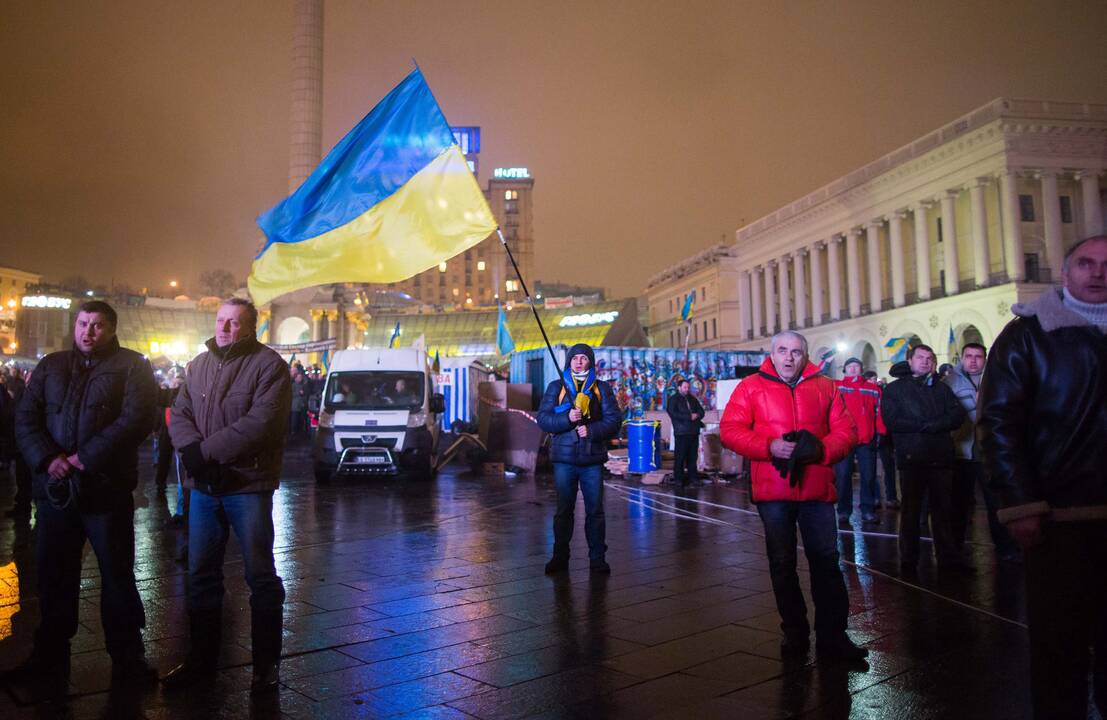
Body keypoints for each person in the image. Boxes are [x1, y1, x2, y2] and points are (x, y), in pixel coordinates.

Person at [978, 235, 1107, 719]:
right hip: (1058, 519)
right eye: (1086, 263)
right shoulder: (1027, 335)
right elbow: (998, 423)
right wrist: (1021, 504)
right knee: (1060, 645)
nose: (1098, 273)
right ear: (1065, 273)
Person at [6, 301, 158, 691]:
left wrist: (83, 458)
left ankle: (128, 659)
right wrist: (48, 458)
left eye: (98, 325)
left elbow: (137, 419)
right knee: (53, 576)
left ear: (112, 329)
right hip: (56, 493)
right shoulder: (51, 366)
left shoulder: (132, 365)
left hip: (105, 493)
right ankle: (49, 657)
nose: (89, 332)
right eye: (83, 323)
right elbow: (26, 418)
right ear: (75, 326)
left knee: (117, 577)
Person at [163, 298, 292, 694]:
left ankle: (265, 666)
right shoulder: (198, 366)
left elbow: (261, 424)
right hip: (203, 487)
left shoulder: (270, 367)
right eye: (221, 321)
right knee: (200, 574)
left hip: (246, 485)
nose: (225, 328)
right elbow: (179, 412)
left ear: (251, 327)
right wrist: (191, 452)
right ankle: (201, 660)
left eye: (235, 323)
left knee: (259, 574)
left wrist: (204, 453)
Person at [720, 331, 867, 661]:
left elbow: (848, 431)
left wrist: (821, 449)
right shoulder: (751, 387)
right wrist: (768, 446)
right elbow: (730, 430)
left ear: (806, 355)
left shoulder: (826, 387)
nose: (789, 357)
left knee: (826, 563)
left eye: (796, 351)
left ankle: (832, 636)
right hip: (773, 490)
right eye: (783, 350)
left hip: (816, 489)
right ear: (772, 354)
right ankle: (795, 631)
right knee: (782, 563)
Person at [881, 344, 967, 573]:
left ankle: (948, 558)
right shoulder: (894, 390)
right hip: (912, 458)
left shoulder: (941, 388)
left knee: (942, 512)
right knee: (911, 512)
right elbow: (892, 420)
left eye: (930, 358)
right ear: (910, 361)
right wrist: (929, 426)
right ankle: (909, 560)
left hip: (941, 458)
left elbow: (957, 414)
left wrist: (934, 425)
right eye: (920, 357)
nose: (925, 361)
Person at [537, 343, 621, 575]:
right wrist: (567, 418)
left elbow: (614, 420)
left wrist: (591, 431)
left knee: (595, 511)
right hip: (564, 460)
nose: (579, 362)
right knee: (564, 510)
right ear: (569, 362)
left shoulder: (601, 389)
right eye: (575, 358)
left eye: (584, 358)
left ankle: (597, 558)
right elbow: (543, 419)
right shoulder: (557, 387)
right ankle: (560, 557)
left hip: (592, 461)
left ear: (590, 362)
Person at [942, 343, 1019, 561]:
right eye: (969, 356)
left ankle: (1006, 549)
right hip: (962, 452)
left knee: (996, 503)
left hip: (990, 452)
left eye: (978, 356)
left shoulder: (996, 380)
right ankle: (953, 552)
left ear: (985, 359)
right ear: (962, 358)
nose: (973, 360)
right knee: (958, 505)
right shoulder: (948, 383)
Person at [833, 358, 882, 523]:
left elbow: (879, 411)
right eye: (850, 366)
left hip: (866, 439)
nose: (853, 369)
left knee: (868, 476)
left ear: (861, 369)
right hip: (844, 439)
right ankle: (843, 510)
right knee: (842, 476)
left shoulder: (873, 389)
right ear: (844, 370)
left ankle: (867, 509)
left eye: (856, 366)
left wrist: (880, 431)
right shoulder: (837, 387)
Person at [665, 379, 705, 487]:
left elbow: (701, 411)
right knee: (680, 457)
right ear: (679, 387)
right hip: (681, 432)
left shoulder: (692, 399)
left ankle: (693, 479)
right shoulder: (673, 399)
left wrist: (697, 415)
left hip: (693, 432)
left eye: (688, 387)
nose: (687, 389)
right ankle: (679, 479)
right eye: (685, 387)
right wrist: (689, 417)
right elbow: (673, 413)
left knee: (693, 457)